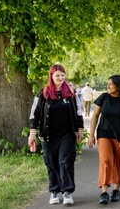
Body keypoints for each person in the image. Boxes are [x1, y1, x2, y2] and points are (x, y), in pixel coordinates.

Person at [28, 64, 85, 205]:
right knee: (51, 163)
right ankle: (54, 191)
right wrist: (32, 133)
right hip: (48, 136)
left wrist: (80, 129)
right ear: (51, 76)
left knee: (65, 162)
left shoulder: (71, 92)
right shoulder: (43, 93)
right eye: (57, 75)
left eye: (62, 75)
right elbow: (34, 114)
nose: (60, 78)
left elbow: (78, 112)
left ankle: (67, 192)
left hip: (67, 134)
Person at [88, 75, 120, 204]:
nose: (107, 86)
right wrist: (91, 134)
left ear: (118, 86)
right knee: (105, 160)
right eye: (107, 83)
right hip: (104, 133)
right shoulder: (103, 98)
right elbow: (95, 116)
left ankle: (116, 190)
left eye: (110, 84)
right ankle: (104, 192)